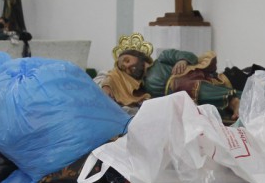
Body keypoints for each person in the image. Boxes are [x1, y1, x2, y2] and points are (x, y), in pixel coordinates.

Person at [97, 34, 239, 121]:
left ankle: (233, 101)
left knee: (182, 85)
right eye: (124, 69)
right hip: (184, 101)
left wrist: (182, 61)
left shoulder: (162, 59)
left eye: (127, 60)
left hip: (191, 80)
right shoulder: (143, 88)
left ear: (138, 55)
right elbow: (112, 75)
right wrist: (106, 86)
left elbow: (188, 55)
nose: (128, 67)